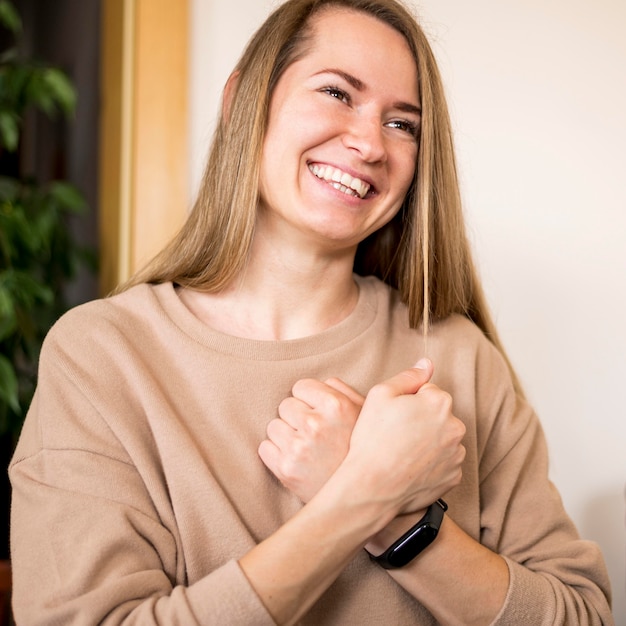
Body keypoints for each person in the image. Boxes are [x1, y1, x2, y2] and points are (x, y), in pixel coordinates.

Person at [9, 0, 613, 623]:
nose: (369, 143)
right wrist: (362, 494)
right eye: (336, 92)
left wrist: (405, 525)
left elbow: (581, 614)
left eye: (403, 124)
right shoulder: (101, 357)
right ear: (243, 100)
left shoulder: (460, 358)